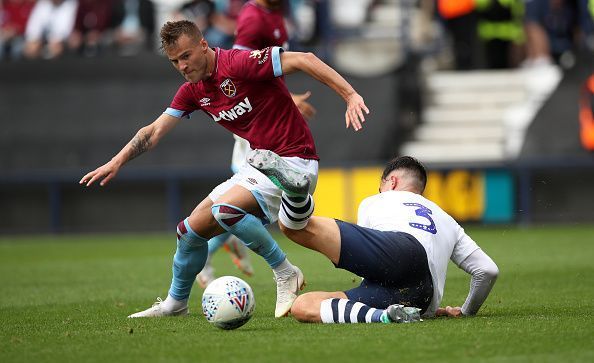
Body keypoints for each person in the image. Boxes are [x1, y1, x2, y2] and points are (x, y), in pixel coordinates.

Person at [79, 20, 369, 319]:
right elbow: (153, 132)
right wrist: (116, 161)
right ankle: (175, 303)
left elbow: (305, 59)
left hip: (294, 160)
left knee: (226, 211)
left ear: (203, 45)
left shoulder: (239, 63)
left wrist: (349, 95)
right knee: (189, 231)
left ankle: (285, 272)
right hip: (258, 164)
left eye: (186, 56)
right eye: (175, 61)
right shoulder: (193, 91)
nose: (182, 65)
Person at [248, 151, 499, 323]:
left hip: (400, 253)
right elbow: (487, 271)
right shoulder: (446, 218)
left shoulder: (378, 200)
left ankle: (295, 195)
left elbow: (370, 263)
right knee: (303, 307)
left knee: (294, 227)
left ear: (391, 181)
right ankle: (386, 317)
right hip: (421, 299)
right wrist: (465, 313)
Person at [196, 0, 316, 288]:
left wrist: (287, 99)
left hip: (269, 117)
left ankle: (225, 246)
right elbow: (237, 76)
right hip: (255, 121)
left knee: (243, 205)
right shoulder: (252, 18)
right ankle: (211, 257)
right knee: (244, 200)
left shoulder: (276, 13)